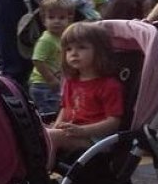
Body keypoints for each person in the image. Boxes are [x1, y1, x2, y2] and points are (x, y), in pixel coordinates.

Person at [46, 22, 124, 154]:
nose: (74, 53)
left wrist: (83, 131)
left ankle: (42, 172)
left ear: (99, 51)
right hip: (72, 132)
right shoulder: (71, 82)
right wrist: (56, 126)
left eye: (81, 47)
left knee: (50, 137)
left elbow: (114, 122)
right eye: (69, 49)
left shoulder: (109, 85)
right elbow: (65, 109)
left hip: (96, 140)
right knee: (38, 133)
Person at [30, 0, 75, 116]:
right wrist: (51, 79)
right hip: (43, 85)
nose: (56, 21)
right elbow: (37, 60)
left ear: (69, 20)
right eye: (51, 17)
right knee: (49, 114)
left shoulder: (63, 37)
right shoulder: (46, 39)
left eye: (61, 17)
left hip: (56, 83)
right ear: (44, 20)